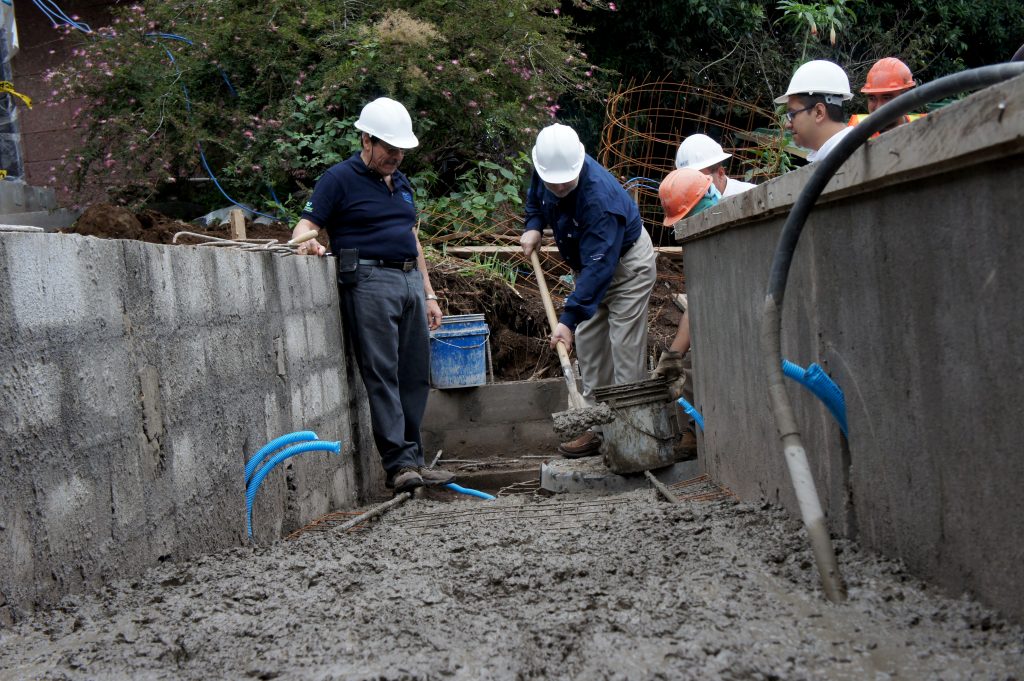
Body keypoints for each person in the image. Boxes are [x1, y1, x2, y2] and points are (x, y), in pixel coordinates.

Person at [290, 97, 454, 494]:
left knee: (415, 374)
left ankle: (415, 458)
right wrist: (307, 242)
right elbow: (305, 226)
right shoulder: (338, 179)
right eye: (389, 149)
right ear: (367, 140)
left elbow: (412, 237)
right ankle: (399, 465)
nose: (395, 157)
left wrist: (429, 293)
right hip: (369, 279)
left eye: (401, 150)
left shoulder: (402, 182)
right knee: (382, 373)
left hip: (409, 279)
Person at [521, 123, 658, 457]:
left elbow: (600, 270)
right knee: (591, 348)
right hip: (589, 268)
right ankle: (596, 429)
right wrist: (534, 225)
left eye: (565, 182)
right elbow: (536, 199)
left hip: (626, 267)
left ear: (578, 164)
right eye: (552, 182)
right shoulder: (548, 170)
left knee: (625, 353)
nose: (558, 186)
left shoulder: (599, 199)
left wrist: (567, 320)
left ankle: (631, 437)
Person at [651, 168, 721, 451]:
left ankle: (698, 432)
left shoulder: (723, 236)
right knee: (686, 365)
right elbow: (696, 307)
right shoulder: (703, 242)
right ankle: (692, 433)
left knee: (696, 363)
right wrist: (673, 356)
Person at [775, 60, 854, 163]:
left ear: (819, 112)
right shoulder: (836, 155)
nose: (787, 125)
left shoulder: (850, 158)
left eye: (792, 114)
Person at [848, 57, 926, 134]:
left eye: (887, 98)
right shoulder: (856, 130)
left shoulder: (925, 125)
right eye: (872, 98)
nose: (878, 107)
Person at [675, 133, 756, 197]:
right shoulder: (685, 208)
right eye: (688, 182)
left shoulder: (751, 195)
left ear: (720, 173)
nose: (695, 190)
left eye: (700, 181)